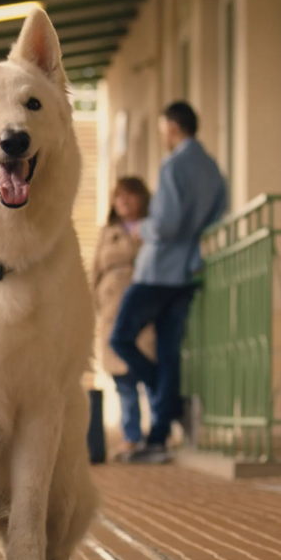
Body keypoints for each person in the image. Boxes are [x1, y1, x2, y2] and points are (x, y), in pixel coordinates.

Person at [110, 102, 227, 464]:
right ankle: (159, 435)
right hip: (188, 272)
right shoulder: (213, 171)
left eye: (163, 130)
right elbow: (217, 217)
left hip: (159, 270)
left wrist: (142, 229)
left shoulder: (174, 164)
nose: (163, 137)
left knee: (120, 338)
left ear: (174, 128)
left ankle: (170, 402)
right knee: (169, 351)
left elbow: (165, 225)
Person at [92, 177, 157, 459]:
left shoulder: (152, 227)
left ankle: (156, 435)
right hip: (112, 308)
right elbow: (94, 270)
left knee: (148, 371)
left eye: (130, 197)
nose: (124, 203)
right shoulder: (108, 233)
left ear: (141, 199)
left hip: (144, 307)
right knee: (122, 380)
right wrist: (97, 300)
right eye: (119, 198)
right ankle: (131, 436)